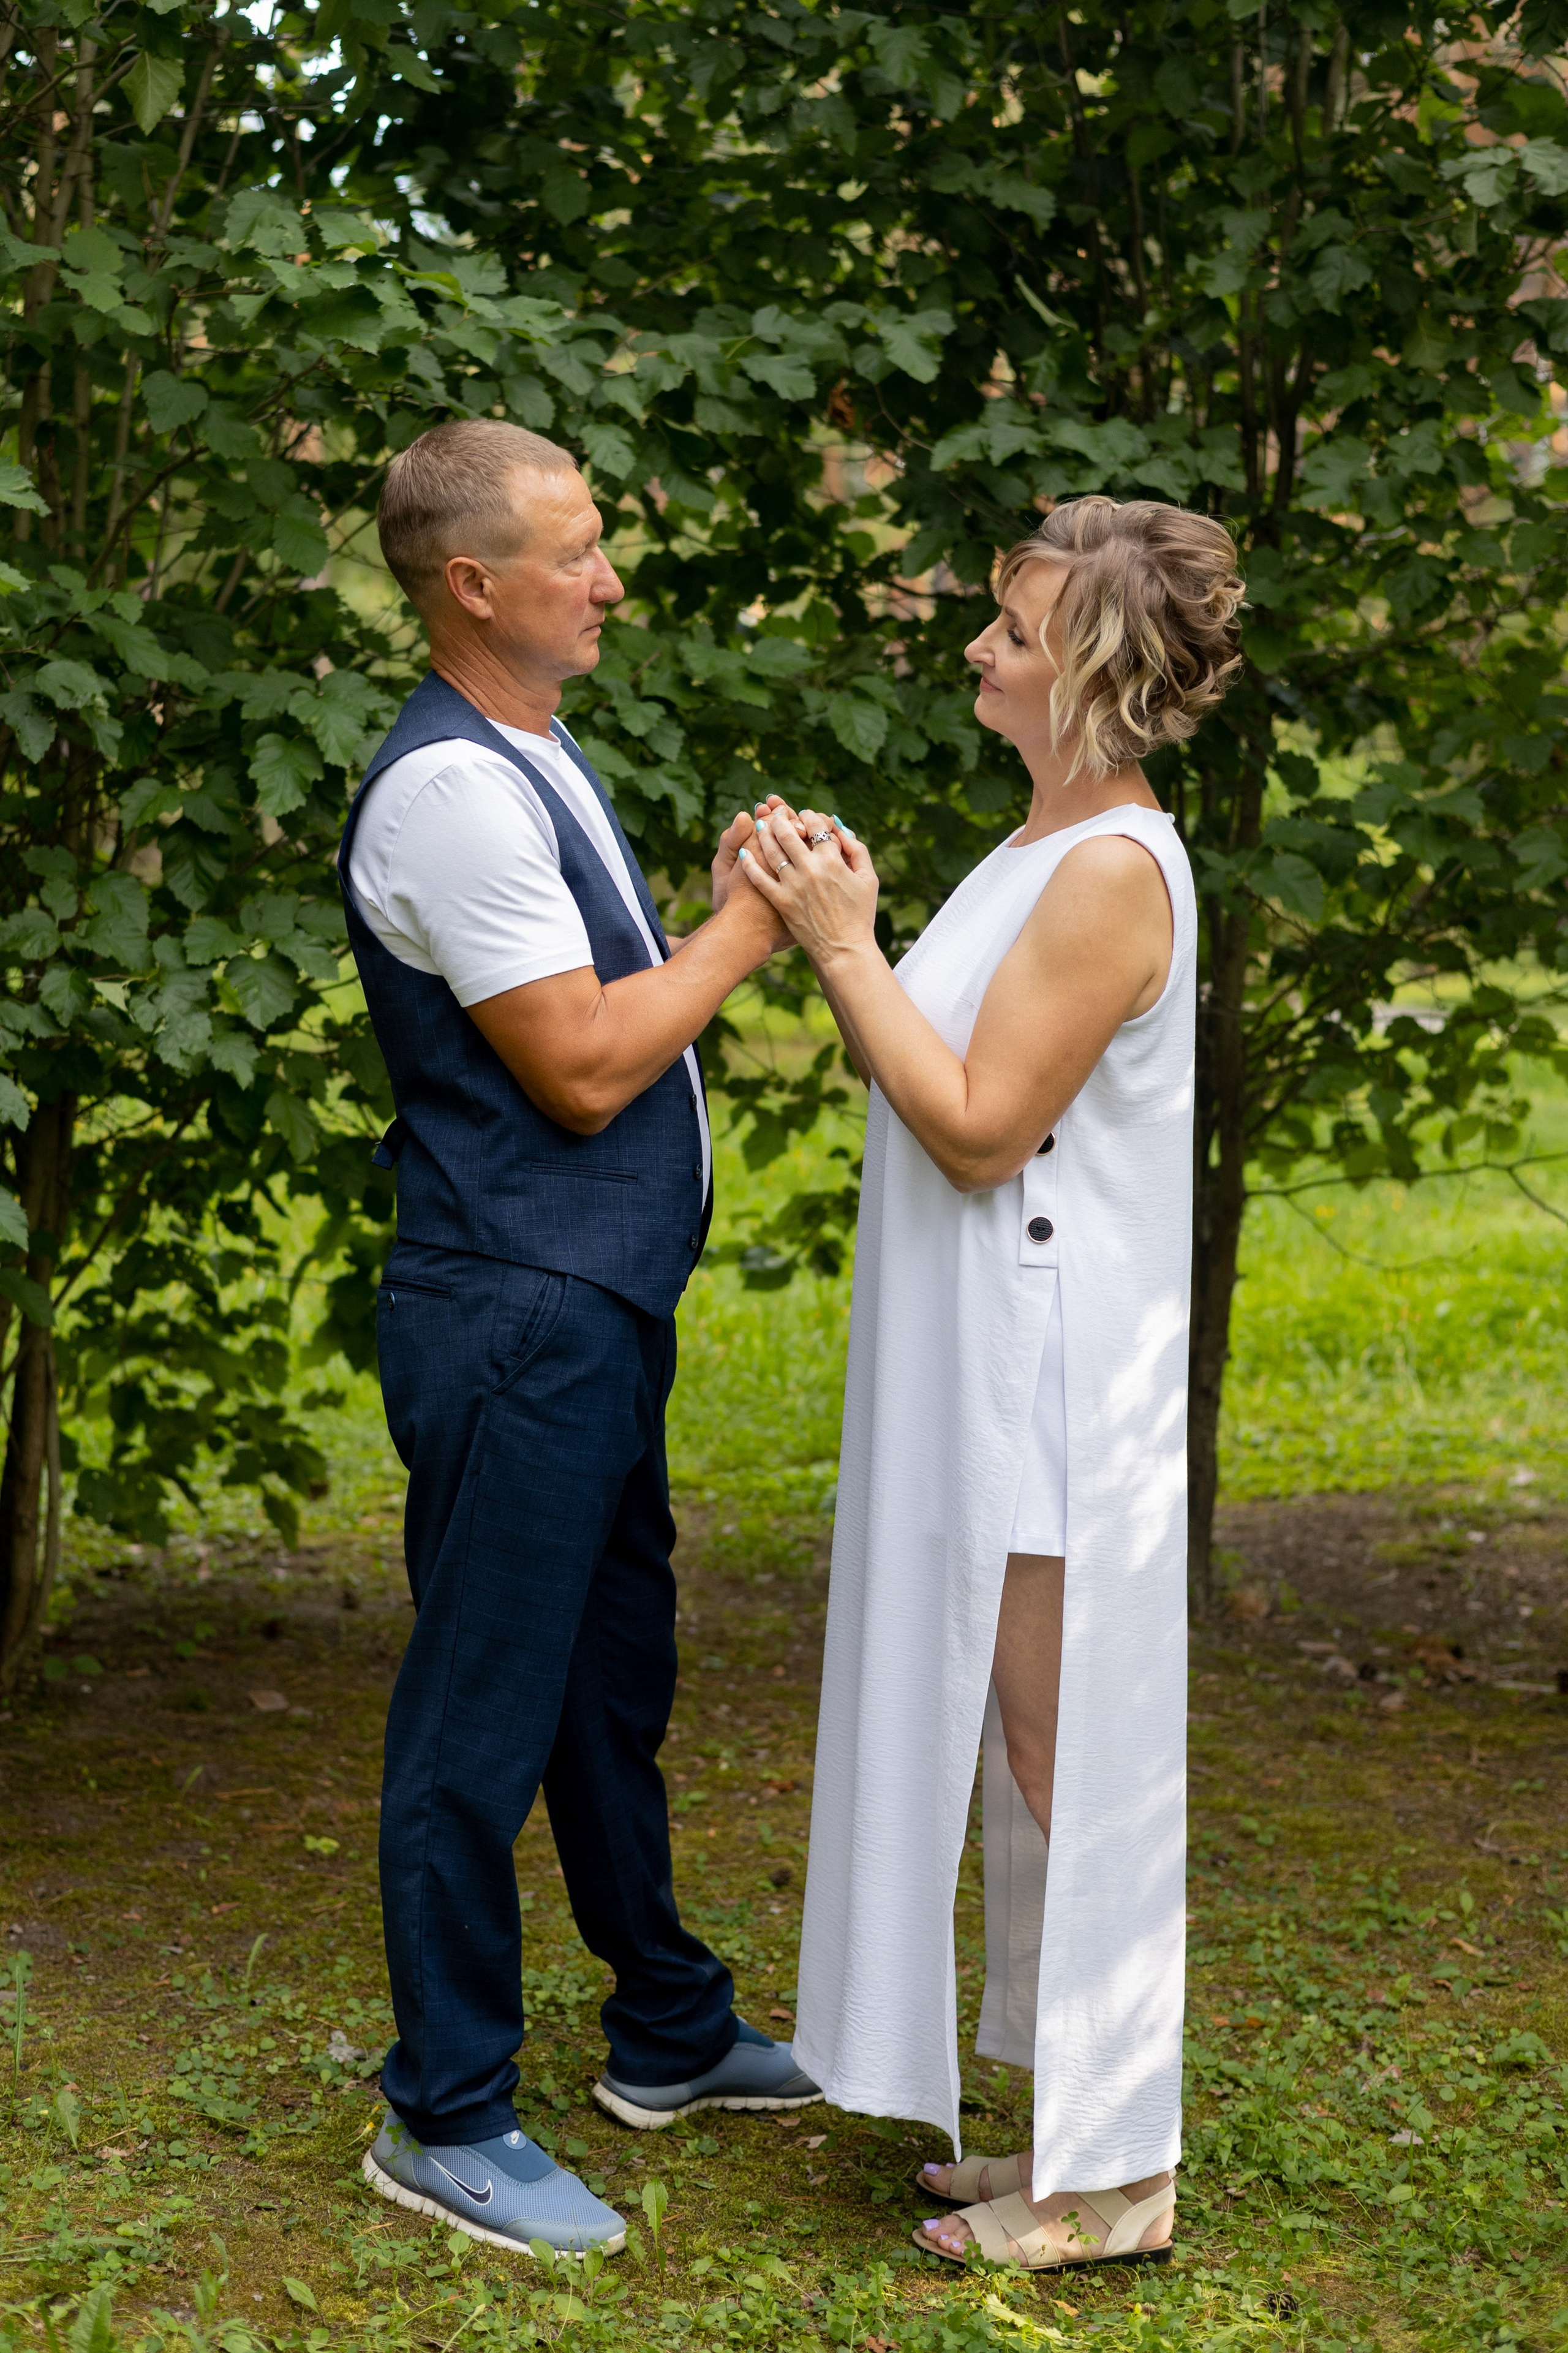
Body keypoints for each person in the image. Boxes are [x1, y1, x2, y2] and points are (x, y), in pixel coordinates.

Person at [738, 497, 1244, 2273]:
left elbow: (972, 1127)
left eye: (1013, 634)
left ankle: (1118, 2174)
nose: (977, 649)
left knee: (1061, 1747)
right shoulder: (1040, 842)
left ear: (1091, 674)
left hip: (1052, 1372)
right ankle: (1068, 2120)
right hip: (990, 1355)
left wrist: (841, 945)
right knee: (1031, 1751)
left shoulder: (1113, 868)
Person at [341, 419, 820, 2260]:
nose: (611, 577)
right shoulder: (453, 791)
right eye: (577, 551)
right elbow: (589, 1059)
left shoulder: (532, 749)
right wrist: (751, 922)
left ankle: (668, 2030)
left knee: (610, 1680)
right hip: (517, 1313)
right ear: (473, 585)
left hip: (594, 1307)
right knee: (480, 1712)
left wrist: (698, 917)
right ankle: (446, 2105)